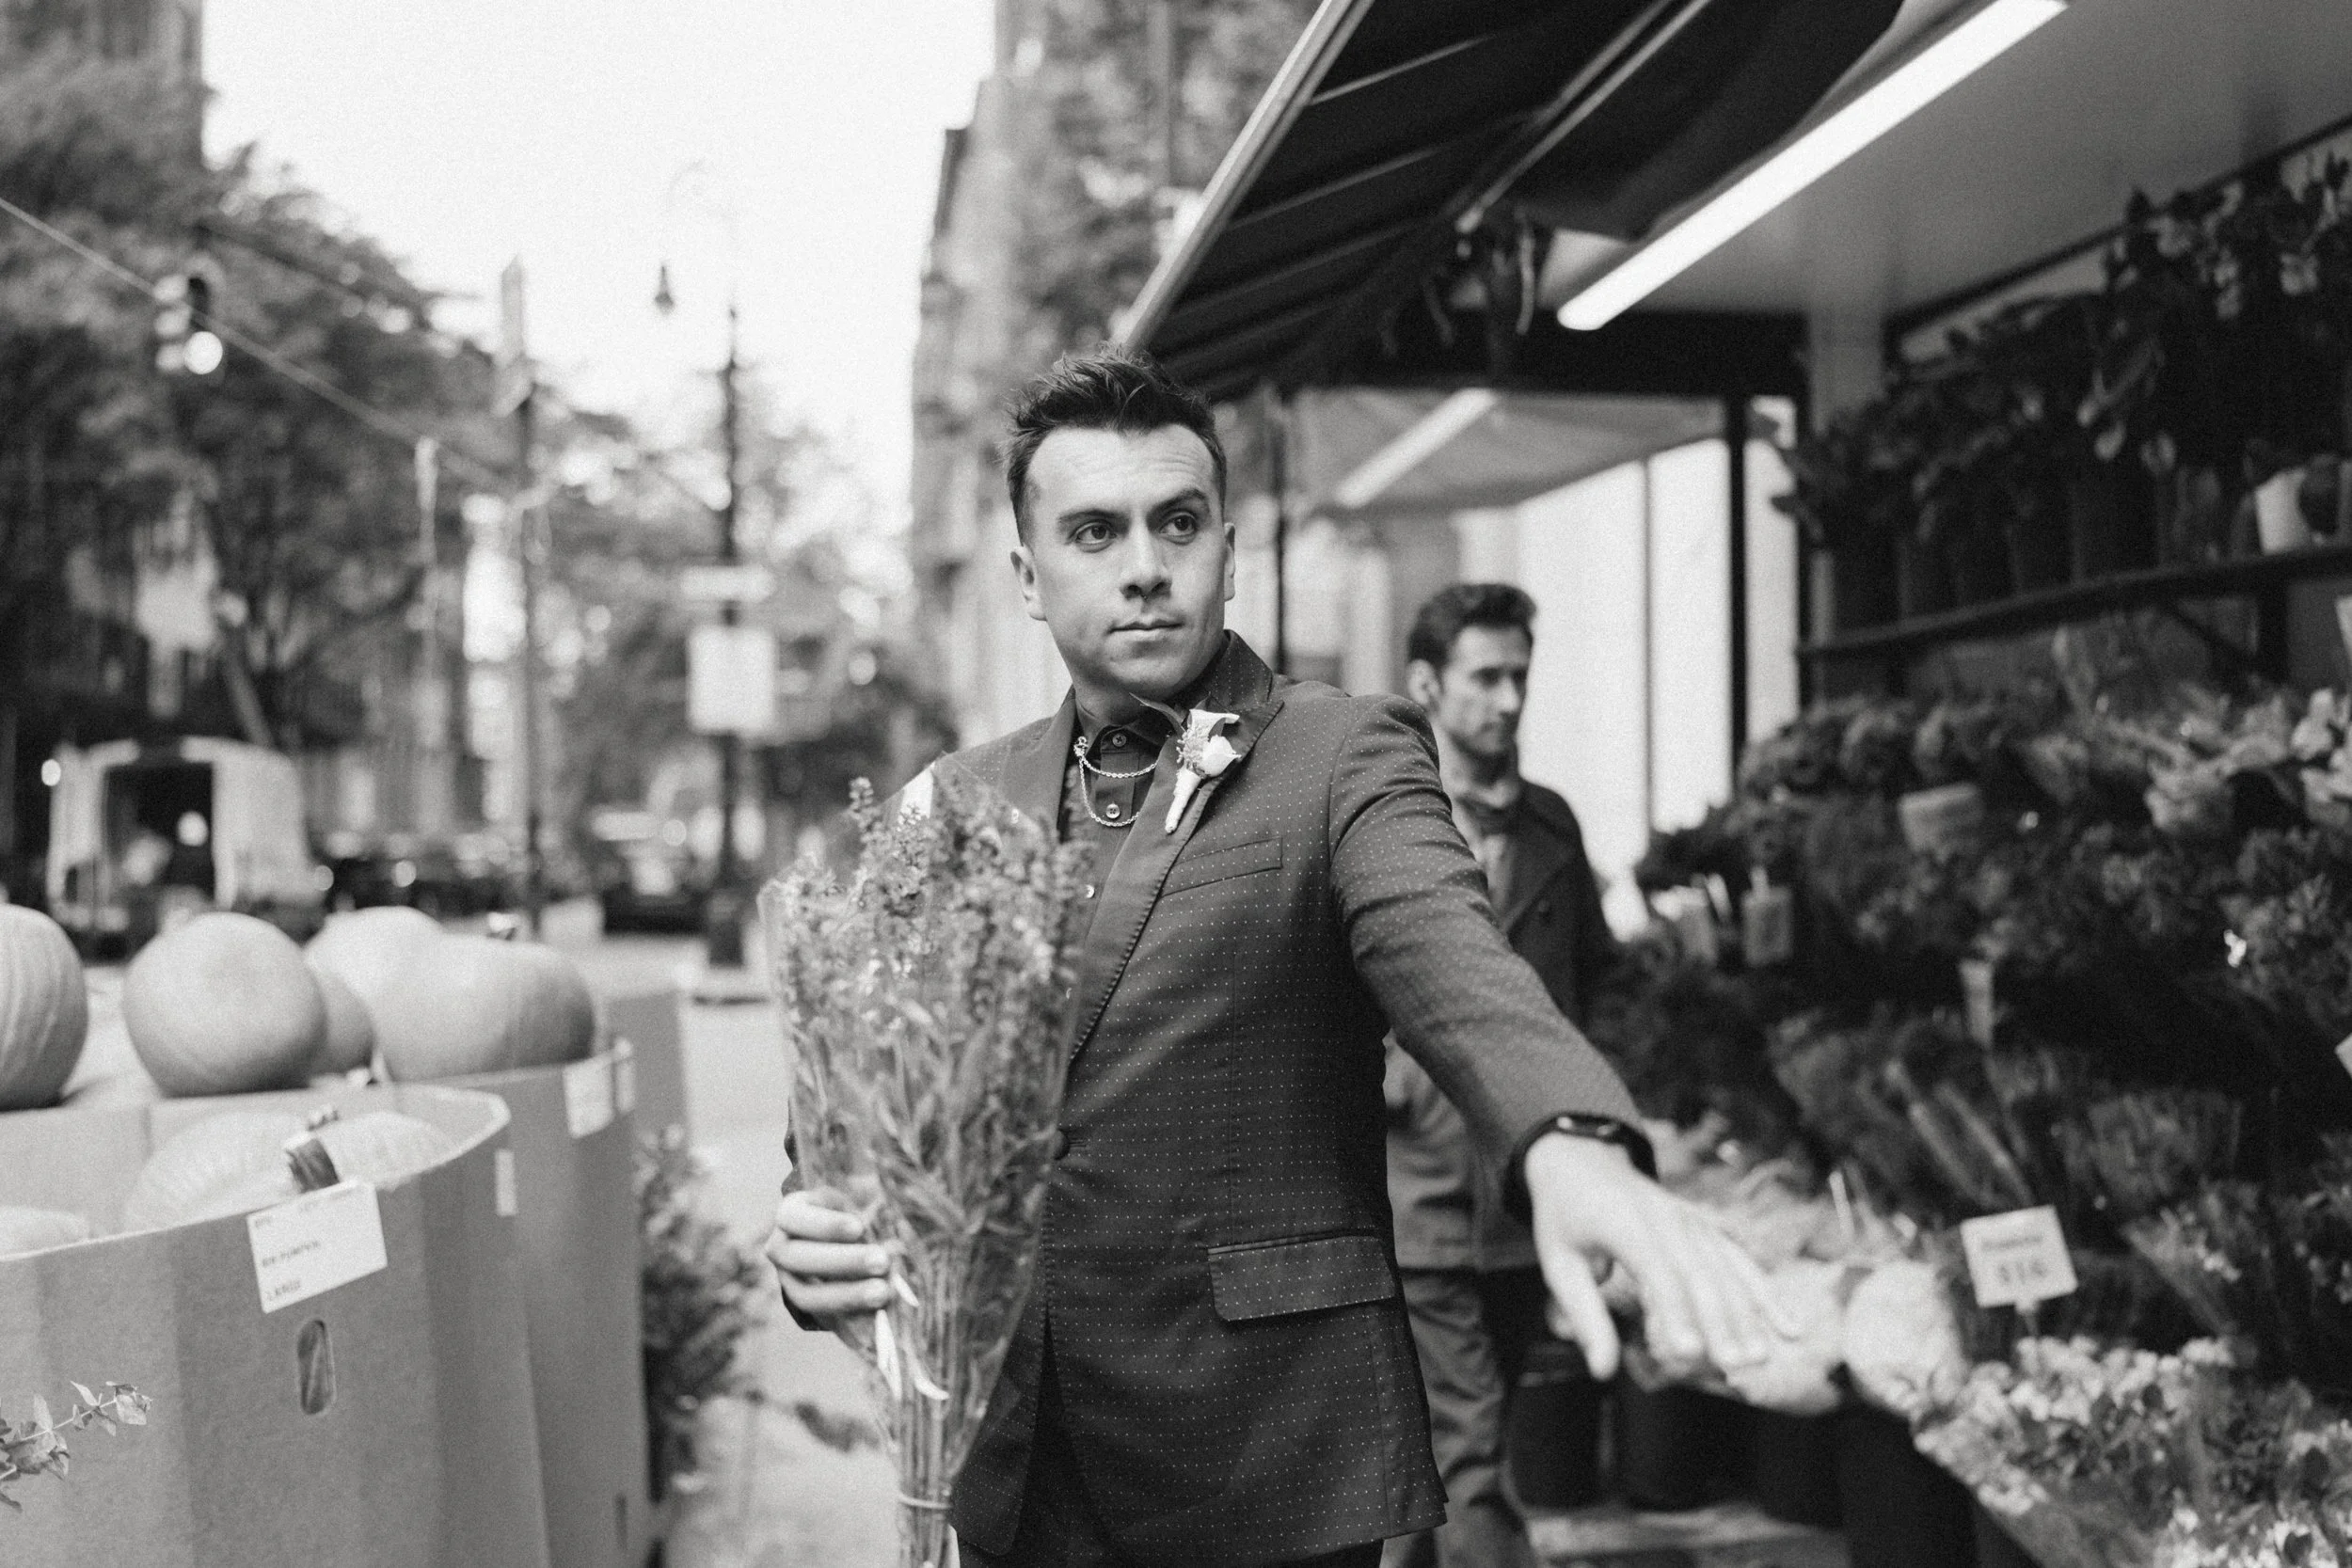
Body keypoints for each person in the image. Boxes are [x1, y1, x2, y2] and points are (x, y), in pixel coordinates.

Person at [768, 347, 1783, 1568]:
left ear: (1228, 553)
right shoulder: (950, 803)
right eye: (1096, 531)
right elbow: (863, 1111)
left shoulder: (1346, 755)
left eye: (1177, 522)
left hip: (1264, 1455)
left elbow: (1454, 953)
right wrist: (812, 1230)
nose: (1145, 563)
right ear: (1030, 575)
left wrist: (1567, 1140)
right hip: (1015, 1457)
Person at [1383, 584, 1618, 1568]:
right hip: (1419, 1194)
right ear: (1427, 684)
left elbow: (1598, 991)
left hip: (1526, 1202)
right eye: (1485, 676)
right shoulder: (1383, 822)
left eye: (1519, 674)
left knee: (1434, 1464)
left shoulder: (1553, 829)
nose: (1508, 698)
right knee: (1471, 1457)